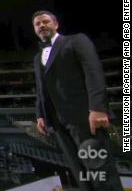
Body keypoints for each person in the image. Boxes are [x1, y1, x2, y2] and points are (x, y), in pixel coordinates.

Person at [32, 10, 123, 191]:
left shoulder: (76, 41)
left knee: (100, 171)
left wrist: (97, 108)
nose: (41, 25)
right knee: (81, 173)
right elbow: (42, 88)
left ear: (56, 24)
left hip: (84, 117)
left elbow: (93, 72)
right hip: (58, 123)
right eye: (37, 24)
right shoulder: (37, 57)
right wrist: (40, 115)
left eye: (45, 22)